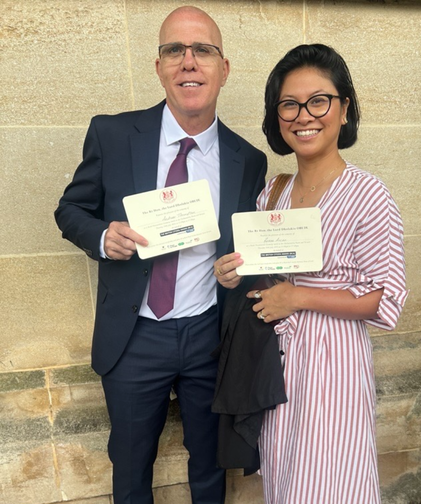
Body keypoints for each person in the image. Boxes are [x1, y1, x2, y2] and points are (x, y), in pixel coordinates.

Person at [55, 6, 266, 504]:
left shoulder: (248, 160)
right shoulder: (112, 135)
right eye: (175, 50)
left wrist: (238, 272)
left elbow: (246, 246)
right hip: (134, 336)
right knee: (130, 469)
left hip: (209, 336)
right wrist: (102, 237)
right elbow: (70, 209)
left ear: (223, 69)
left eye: (203, 51)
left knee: (211, 466)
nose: (188, 62)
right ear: (159, 67)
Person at [214, 44, 408, 503]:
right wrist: (234, 273)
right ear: (277, 116)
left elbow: (385, 298)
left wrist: (299, 298)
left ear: (344, 108)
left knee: (328, 483)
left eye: (318, 101)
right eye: (289, 104)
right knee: (284, 481)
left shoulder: (368, 195)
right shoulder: (274, 192)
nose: (304, 116)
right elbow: (264, 274)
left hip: (332, 364)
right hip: (276, 363)